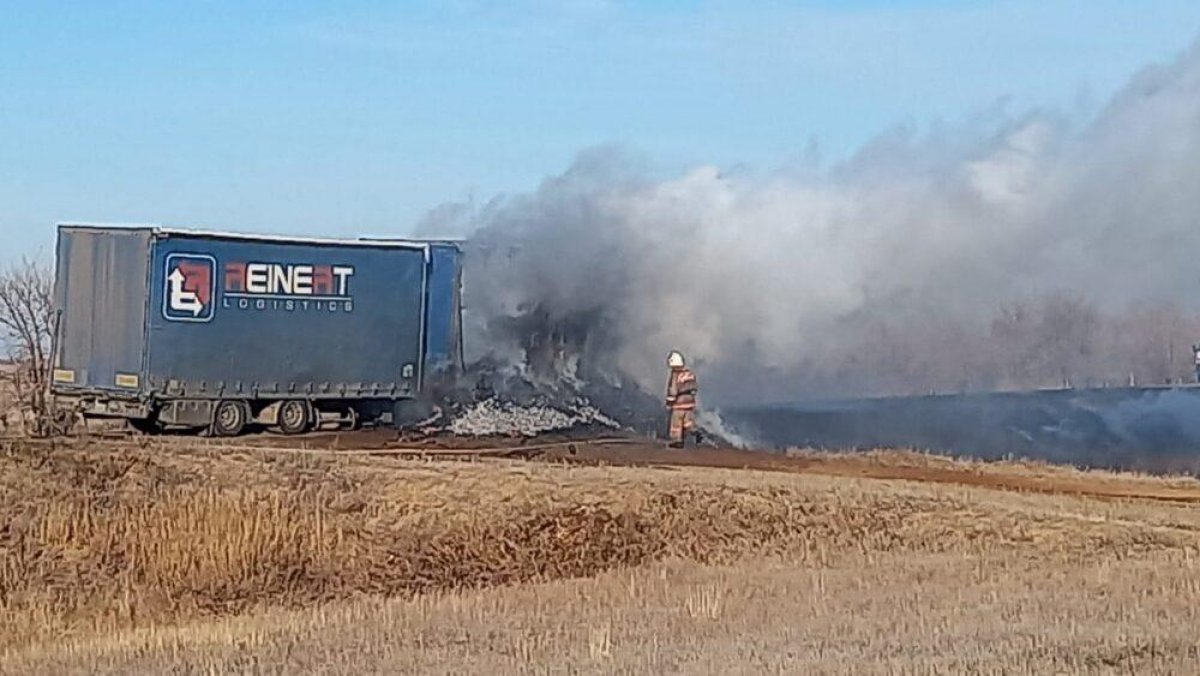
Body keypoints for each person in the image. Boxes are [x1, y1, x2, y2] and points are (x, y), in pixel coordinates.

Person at [664, 350, 699, 448]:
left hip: (679, 404)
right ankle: (694, 432)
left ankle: (677, 441)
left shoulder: (675, 375)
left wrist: (669, 402)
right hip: (689, 403)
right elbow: (694, 387)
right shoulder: (689, 374)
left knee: (676, 423)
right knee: (688, 422)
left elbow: (673, 390)